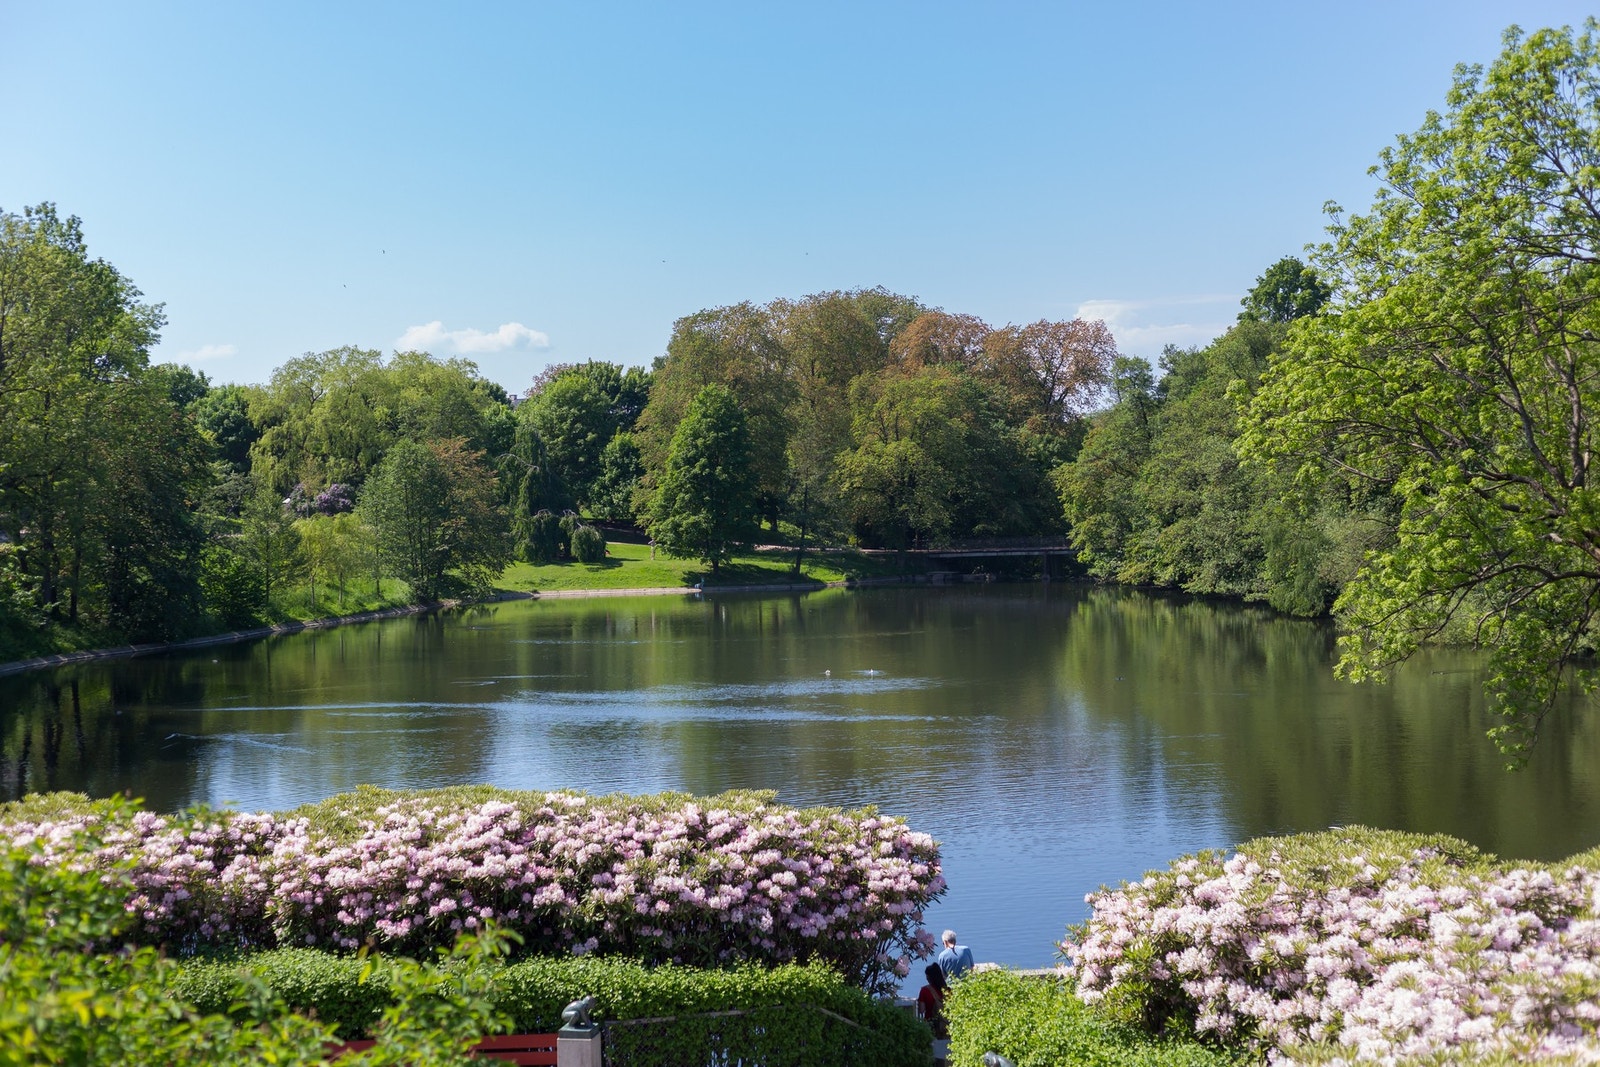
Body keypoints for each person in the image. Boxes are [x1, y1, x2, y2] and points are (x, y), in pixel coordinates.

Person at [917, 962, 950, 1063]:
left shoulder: (924, 991)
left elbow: (921, 1010)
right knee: (945, 1055)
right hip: (945, 1027)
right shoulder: (948, 990)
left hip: (931, 1027)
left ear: (929, 977)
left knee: (933, 1055)